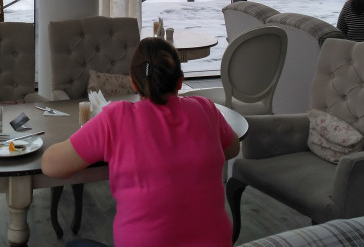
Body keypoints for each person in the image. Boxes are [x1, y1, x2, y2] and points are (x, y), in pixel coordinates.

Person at [41, 37, 241, 247]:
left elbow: (50, 166)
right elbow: (232, 148)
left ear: (133, 83)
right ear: (180, 82)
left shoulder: (116, 118)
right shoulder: (206, 108)